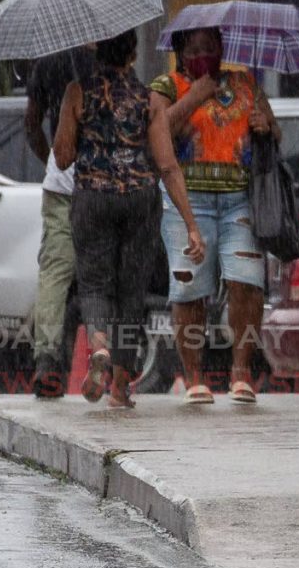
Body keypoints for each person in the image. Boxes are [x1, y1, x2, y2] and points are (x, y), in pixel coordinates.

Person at [54, 29, 204, 408]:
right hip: (140, 199)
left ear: (97, 51)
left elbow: (62, 156)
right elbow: (168, 166)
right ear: (133, 54)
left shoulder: (77, 92)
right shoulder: (148, 99)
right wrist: (190, 224)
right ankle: (121, 386)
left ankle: (100, 347)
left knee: (93, 284)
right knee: (131, 290)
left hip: (93, 197)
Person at [149, 26, 280, 404]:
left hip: (239, 200)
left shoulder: (244, 82)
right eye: (196, 48)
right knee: (190, 287)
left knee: (247, 282)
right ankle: (194, 378)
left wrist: (265, 126)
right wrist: (195, 95)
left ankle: (241, 373)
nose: (205, 54)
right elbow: (158, 131)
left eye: (213, 46)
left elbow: (274, 132)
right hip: (185, 201)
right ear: (180, 51)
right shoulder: (166, 85)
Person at [25, 46, 95, 398]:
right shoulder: (116, 59)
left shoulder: (47, 63)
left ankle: (47, 360)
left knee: (55, 271)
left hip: (62, 186)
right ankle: (111, 356)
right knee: (101, 273)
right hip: (106, 185)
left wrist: (52, 162)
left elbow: (30, 125)